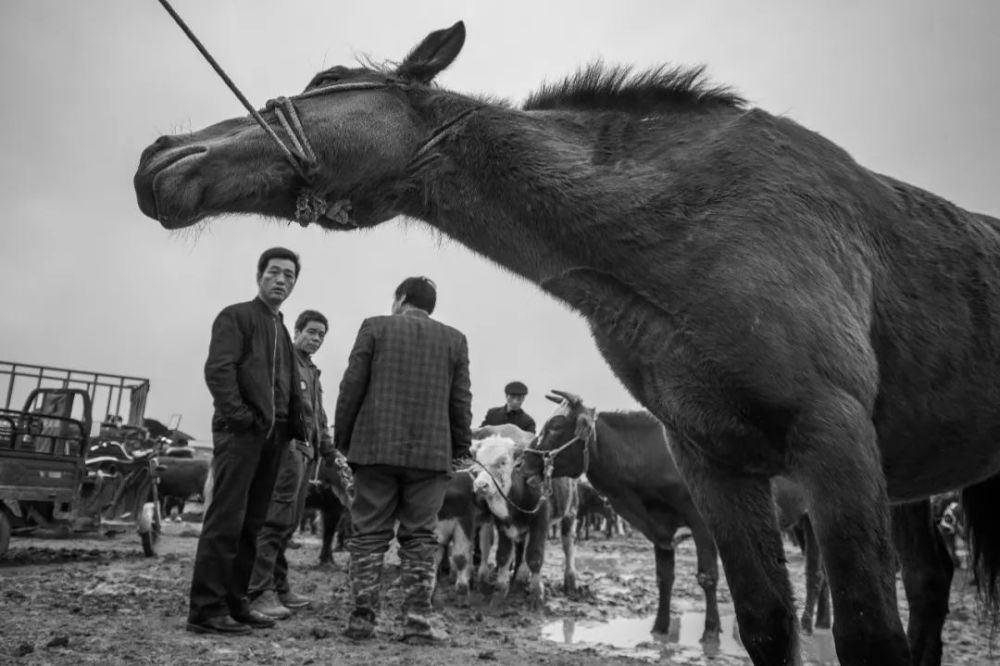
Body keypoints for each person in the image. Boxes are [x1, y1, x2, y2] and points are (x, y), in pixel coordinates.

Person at [334, 276, 472, 643]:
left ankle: (362, 621)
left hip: (375, 449)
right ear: (430, 306)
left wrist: (344, 441)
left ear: (400, 299)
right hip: (430, 456)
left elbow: (351, 386)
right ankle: (417, 622)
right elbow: (460, 403)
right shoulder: (454, 340)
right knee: (421, 537)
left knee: (368, 535)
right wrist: (458, 449)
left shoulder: (375, 327)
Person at [186, 247, 307, 636]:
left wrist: (293, 430)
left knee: (253, 523)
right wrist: (241, 419)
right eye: (274, 272)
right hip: (241, 435)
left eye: (289, 275)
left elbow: (287, 388)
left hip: (273, 440)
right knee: (225, 520)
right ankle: (205, 609)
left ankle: (237, 603)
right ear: (259, 276)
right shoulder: (236, 316)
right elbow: (218, 370)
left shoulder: (283, 329)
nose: (281, 280)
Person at [248, 309, 334, 619]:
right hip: (288, 451)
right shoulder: (285, 364)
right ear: (296, 331)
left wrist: (329, 450)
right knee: (275, 521)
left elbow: (319, 418)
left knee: (289, 522)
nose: (316, 339)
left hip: (307, 455)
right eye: (311, 332)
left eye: (321, 335)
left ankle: (279, 584)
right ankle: (257, 590)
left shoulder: (311, 371)